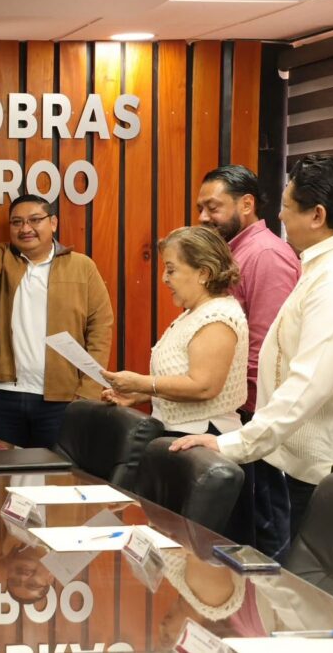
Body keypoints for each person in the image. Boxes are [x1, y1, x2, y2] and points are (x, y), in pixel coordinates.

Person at [171, 154, 333, 537]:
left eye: (287, 207)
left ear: (318, 215)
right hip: (327, 461)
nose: (280, 217)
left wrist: (234, 444)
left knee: (315, 572)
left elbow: (309, 382)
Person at [101, 226, 251, 543]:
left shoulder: (217, 317)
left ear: (203, 272)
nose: (164, 278)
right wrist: (138, 394)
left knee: (193, 549)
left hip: (205, 442)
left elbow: (204, 386)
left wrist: (143, 383)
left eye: (171, 269)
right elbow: (182, 378)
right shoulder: (193, 314)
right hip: (179, 439)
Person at [197, 164, 300, 561]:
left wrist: (248, 413)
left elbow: (268, 347)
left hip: (258, 414)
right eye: (201, 208)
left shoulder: (266, 254)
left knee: (267, 530)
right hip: (241, 415)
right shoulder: (235, 252)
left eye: (213, 207)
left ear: (246, 204)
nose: (204, 217)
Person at [0, 194, 112, 448]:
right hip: (4, 394)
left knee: (57, 470)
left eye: (35, 220)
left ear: (53, 223)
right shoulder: (3, 256)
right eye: (17, 222)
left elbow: (100, 329)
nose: (25, 228)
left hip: (62, 398)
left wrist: (90, 390)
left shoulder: (82, 266)